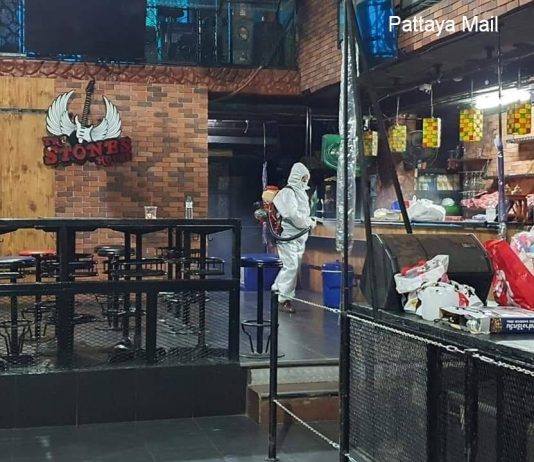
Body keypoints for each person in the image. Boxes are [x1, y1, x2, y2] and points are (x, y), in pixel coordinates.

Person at [271, 162, 316, 313]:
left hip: (299, 238)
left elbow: (302, 213)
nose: (305, 181)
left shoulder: (301, 193)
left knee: (291, 267)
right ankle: (284, 299)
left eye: (306, 178)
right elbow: (291, 214)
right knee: (291, 267)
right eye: (303, 178)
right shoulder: (287, 192)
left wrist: (309, 221)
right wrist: (308, 222)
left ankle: (276, 290)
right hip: (288, 236)